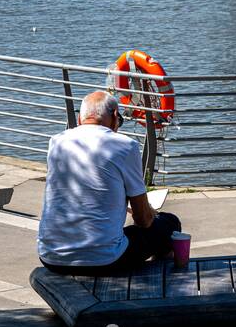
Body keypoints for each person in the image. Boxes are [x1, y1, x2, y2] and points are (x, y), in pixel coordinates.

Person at [37, 90, 181, 275]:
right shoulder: (125, 146)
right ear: (115, 116)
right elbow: (143, 221)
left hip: (50, 256)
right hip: (105, 260)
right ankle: (157, 286)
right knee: (169, 224)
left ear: (80, 119)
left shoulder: (56, 142)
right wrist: (148, 211)